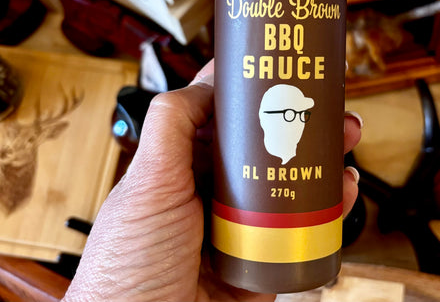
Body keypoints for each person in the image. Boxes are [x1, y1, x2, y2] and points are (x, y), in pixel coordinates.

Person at [62, 60, 362, 302]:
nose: (297, 122)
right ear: (265, 119)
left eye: (301, 115)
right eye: (287, 114)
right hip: (222, 258)